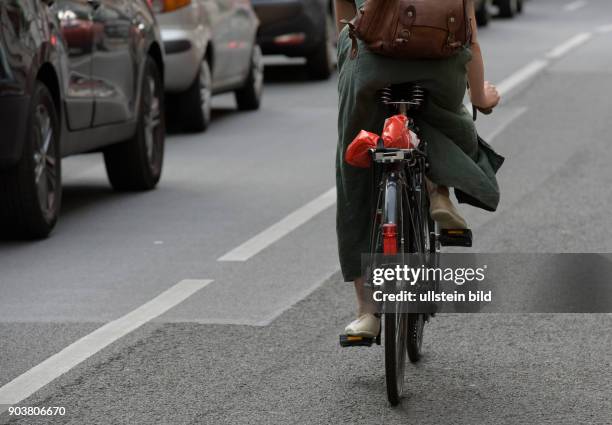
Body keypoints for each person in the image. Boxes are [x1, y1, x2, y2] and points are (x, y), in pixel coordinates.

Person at [335, 0, 504, 336]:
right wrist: (481, 97)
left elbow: (344, 14)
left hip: (373, 66)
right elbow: (468, 33)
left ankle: (368, 311)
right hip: (439, 70)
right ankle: (438, 188)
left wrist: (346, 49)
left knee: (355, 161)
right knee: (445, 118)